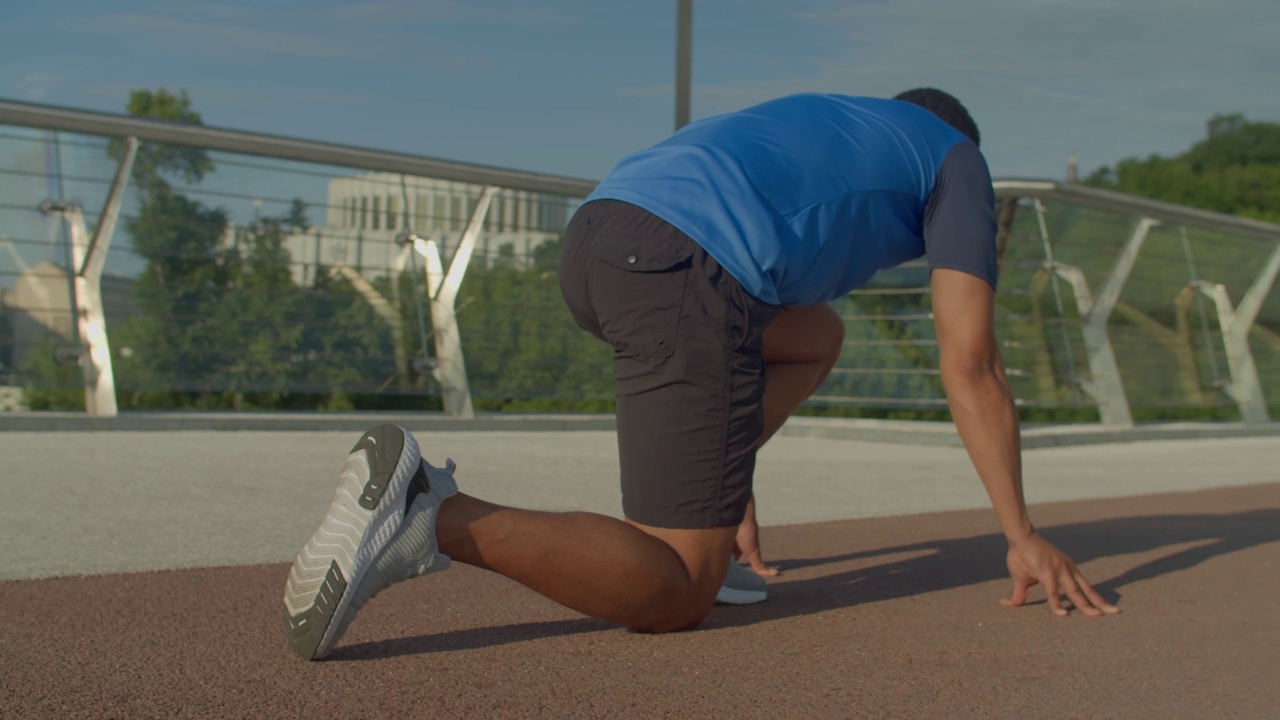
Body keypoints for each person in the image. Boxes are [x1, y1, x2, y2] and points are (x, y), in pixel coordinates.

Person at [282, 88, 1119, 661]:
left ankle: (703, 515)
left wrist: (728, 492)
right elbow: (971, 362)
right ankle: (432, 510)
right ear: (960, 140)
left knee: (814, 335)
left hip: (601, 238)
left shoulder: (834, 125)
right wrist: (1022, 535)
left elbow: (750, 335)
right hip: (681, 265)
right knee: (678, 589)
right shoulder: (956, 161)